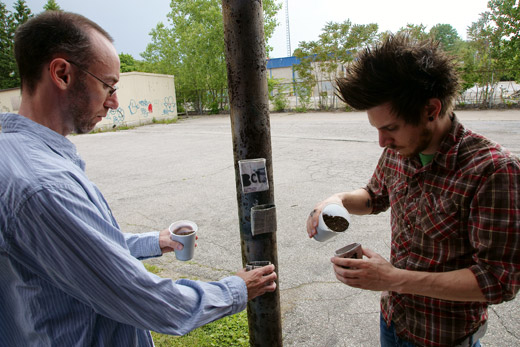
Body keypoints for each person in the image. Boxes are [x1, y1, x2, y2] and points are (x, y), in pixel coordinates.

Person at [0, 11, 277, 346]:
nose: (114, 102)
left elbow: (80, 249)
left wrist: (155, 241)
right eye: (108, 85)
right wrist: (235, 289)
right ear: (62, 74)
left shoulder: (14, 154)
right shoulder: (44, 186)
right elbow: (145, 299)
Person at [307, 34, 520, 347]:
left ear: (431, 110)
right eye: (377, 129)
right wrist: (334, 200)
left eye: (389, 128)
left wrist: (393, 278)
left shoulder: (493, 170)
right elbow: (373, 196)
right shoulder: (401, 149)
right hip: (394, 319)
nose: (382, 141)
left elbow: (498, 280)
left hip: (442, 337)